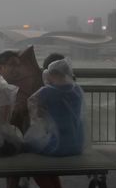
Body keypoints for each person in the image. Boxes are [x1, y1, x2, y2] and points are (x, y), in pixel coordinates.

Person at [19, 54, 85, 188]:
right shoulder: (77, 89)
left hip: (59, 146)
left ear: (50, 73)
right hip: (77, 144)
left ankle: (23, 179)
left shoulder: (47, 91)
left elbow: (32, 107)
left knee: (27, 150)